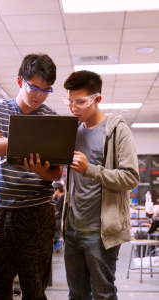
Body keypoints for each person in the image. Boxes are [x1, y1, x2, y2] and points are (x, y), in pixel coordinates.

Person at [0, 53, 63, 300]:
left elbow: (56, 171)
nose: (40, 95)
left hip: (36, 212)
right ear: (19, 82)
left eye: (46, 90)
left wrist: (38, 169)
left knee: (35, 290)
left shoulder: (51, 119)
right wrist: (29, 142)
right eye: (34, 87)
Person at [61, 70, 139, 300]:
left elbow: (131, 177)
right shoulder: (72, 133)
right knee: (76, 295)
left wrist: (91, 170)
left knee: (103, 294)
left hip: (101, 232)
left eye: (80, 102)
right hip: (73, 229)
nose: (73, 108)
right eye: (69, 101)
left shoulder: (117, 131)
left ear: (97, 99)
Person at [52, 182, 64, 250]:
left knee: (49, 223)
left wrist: (53, 197)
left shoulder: (62, 197)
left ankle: (58, 238)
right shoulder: (59, 197)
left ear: (57, 190)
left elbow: (54, 207)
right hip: (60, 218)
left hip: (62, 220)